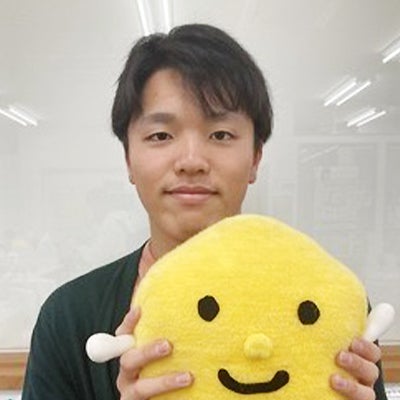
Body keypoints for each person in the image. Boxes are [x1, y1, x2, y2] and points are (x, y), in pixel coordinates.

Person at [22, 24, 387, 400]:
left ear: (255, 158)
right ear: (129, 160)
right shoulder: (69, 317)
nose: (191, 161)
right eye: (161, 136)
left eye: (221, 134)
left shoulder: (328, 303)